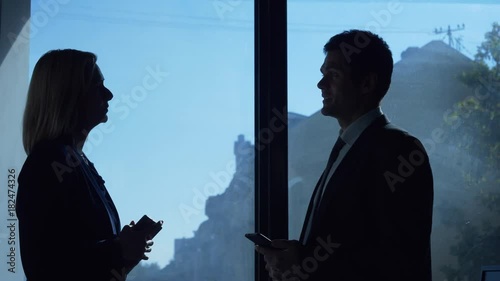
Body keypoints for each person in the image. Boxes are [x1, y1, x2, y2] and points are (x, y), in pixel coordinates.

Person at [256, 30, 434, 281]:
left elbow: (399, 259)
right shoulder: (348, 149)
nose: (321, 84)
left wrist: (306, 261)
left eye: (333, 75)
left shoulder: (398, 150)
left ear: (366, 83)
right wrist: (300, 258)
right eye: (322, 74)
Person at [16, 49, 158, 281]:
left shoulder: (72, 161)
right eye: (97, 85)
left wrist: (124, 250)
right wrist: (119, 249)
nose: (109, 94)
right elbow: (44, 268)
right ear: (68, 94)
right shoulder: (49, 162)